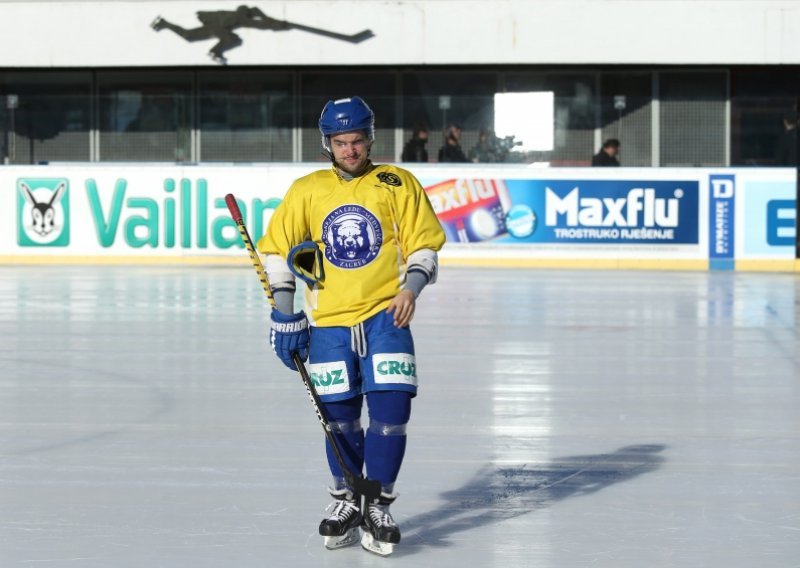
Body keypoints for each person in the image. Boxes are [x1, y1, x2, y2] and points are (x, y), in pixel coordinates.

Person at [256, 96, 445, 556]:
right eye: (340, 142)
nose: (350, 150)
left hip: (386, 316)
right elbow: (276, 251)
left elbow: (424, 246)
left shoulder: (396, 182)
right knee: (338, 420)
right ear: (328, 144)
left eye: (357, 140)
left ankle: (377, 501)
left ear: (369, 139)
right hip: (329, 325)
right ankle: (346, 499)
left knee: (392, 413)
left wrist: (411, 289)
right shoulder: (307, 189)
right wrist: (285, 312)